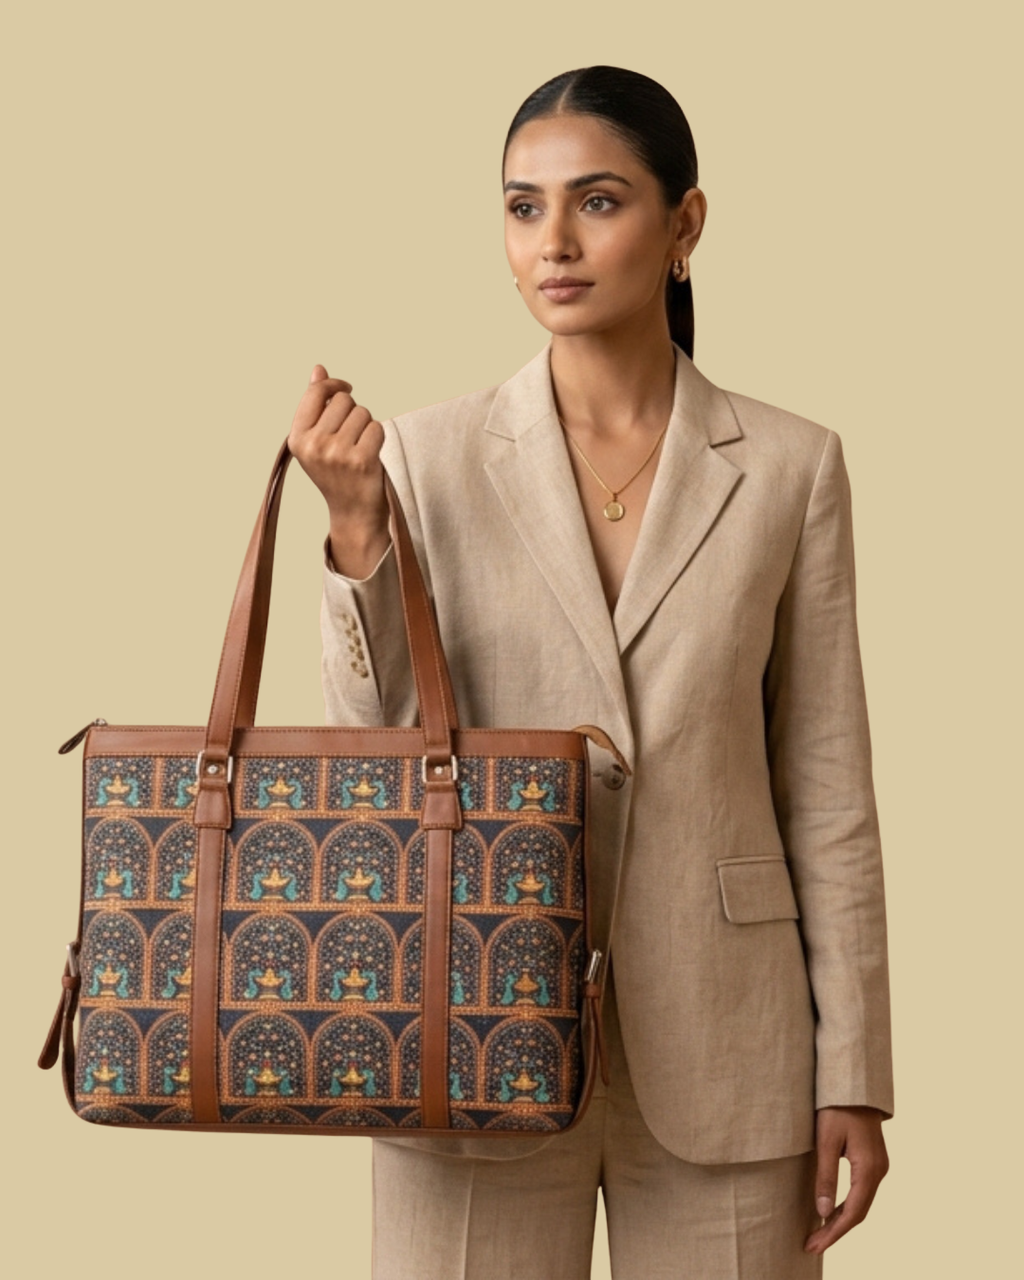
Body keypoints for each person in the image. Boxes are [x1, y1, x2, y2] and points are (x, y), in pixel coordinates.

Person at [288, 65, 893, 1280]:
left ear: (685, 226)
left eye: (596, 201)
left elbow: (827, 792)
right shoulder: (421, 452)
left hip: (728, 1044)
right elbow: (378, 748)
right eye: (522, 208)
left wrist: (855, 1071)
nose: (551, 242)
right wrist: (359, 531)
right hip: (464, 1019)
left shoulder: (789, 465)